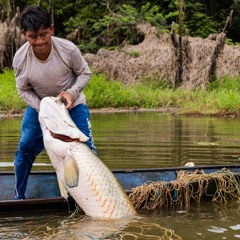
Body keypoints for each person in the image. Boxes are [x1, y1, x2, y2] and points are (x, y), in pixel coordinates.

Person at [12, 5, 96, 200]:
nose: (40, 41)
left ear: (51, 29)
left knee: (87, 152)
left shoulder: (68, 49)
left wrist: (72, 93)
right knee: (24, 148)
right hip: (39, 107)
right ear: (25, 34)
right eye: (33, 37)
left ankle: (88, 199)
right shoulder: (20, 58)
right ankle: (19, 197)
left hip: (71, 106)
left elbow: (85, 73)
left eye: (44, 34)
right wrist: (44, 108)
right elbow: (22, 89)